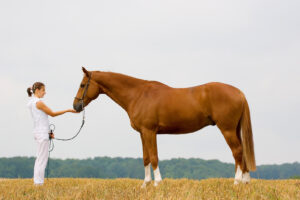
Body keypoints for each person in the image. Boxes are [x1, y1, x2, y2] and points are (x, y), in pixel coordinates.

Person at [26, 82, 77, 185]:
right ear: (37, 90)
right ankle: (38, 183)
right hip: (42, 133)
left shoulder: (31, 102)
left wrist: (48, 132)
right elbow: (52, 114)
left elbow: (41, 119)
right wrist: (68, 110)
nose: (45, 92)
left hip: (39, 131)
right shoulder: (39, 102)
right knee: (42, 160)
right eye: (43, 90)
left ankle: (38, 182)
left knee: (40, 158)